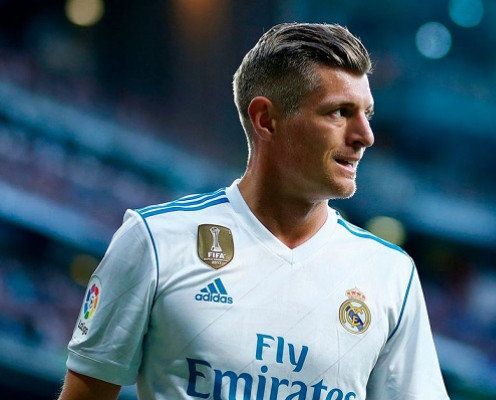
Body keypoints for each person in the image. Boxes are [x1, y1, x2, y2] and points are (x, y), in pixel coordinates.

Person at [58, 22, 449, 400]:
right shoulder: (156, 240)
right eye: (339, 112)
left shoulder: (391, 274)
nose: (365, 135)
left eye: (367, 114)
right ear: (266, 120)